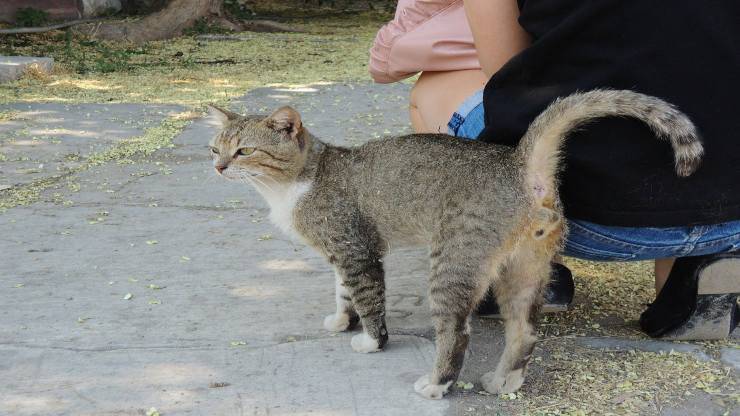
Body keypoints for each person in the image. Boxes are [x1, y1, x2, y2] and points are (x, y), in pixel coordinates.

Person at [369, 0, 740, 338]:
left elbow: (508, 74)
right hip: (730, 210)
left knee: (433, 90)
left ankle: (525, 266)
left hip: (584, 218)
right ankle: (696, 274)